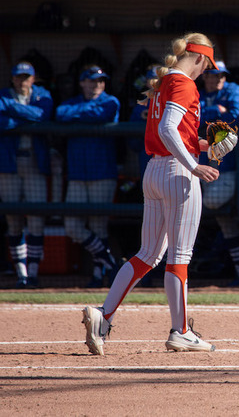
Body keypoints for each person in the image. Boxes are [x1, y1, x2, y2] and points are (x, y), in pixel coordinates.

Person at [82, 32, 221, 356]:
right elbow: (167, 130)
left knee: (148, 254)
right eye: (207, 65)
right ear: (199, 57)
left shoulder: (163, 82)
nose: (206, 71)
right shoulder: (184, 83)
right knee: (179, 257)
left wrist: (203, 145)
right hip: (177, 173)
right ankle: (182, 331)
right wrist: (194, 165)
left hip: (155, 171)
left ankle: (103, 317)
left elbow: (170, 133)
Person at [0, 61, 54, 288]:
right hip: (8, 163)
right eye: (18, 77)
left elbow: (42, 115)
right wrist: (26, 118)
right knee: (13, 218)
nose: (22, 81)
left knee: (36, 217)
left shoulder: (42, 94)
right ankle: (22, 274)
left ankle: (34, 273)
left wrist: (12, 110)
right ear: (12, 78)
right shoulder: (1, 95)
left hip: (34, 161)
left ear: (33, 79)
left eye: (26, 77)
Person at [55, 65, 120, 287]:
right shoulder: (70, 103)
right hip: (77, 173)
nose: (96, 85)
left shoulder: (111, 101)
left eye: (100, 81)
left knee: (98, 226)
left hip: (102, 172)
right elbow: (60, 114)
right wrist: (83, 114)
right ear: (82, 82)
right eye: (92, 81)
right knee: (72, 225)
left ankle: (98, 275)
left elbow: (102, 114)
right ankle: (111, 263)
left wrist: (79, 116)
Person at [198, 60, 239, 285]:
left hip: (230, 169)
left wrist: (209, 116)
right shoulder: (197, 94)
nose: (215, 79)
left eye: (220, 76)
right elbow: (189, 119)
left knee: (210, 203)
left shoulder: (235, 91)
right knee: (225, 222)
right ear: (204, 76)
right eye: (211, 75)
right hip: (203, 167)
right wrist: (216, 112)